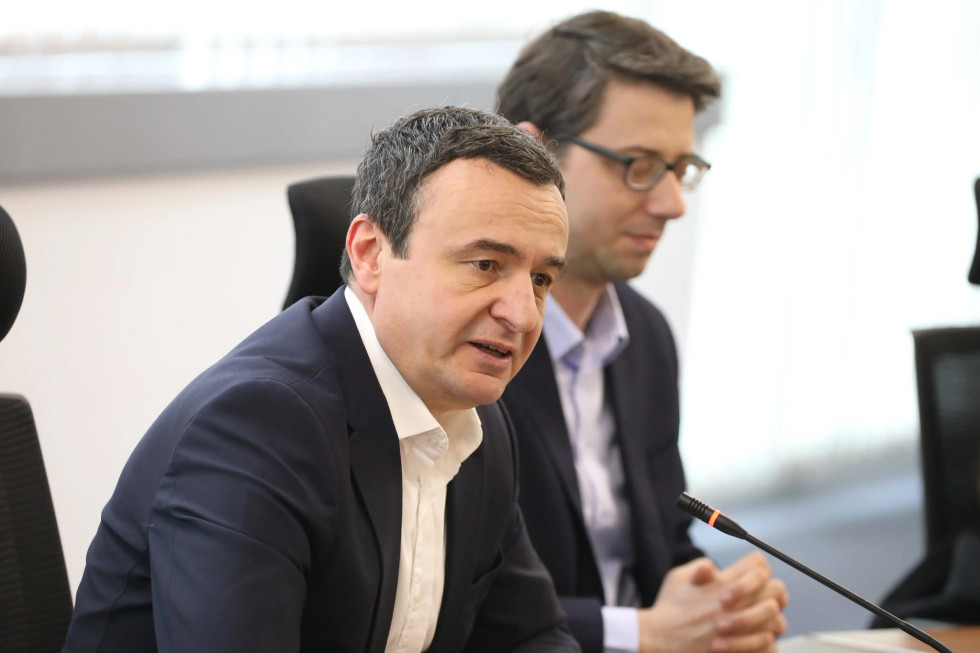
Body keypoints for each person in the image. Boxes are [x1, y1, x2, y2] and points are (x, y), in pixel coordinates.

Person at [61, 106, 579, 653]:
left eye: (541, 278)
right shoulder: (256, 425)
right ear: (370, 255)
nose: (523, 314)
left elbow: (534, 636)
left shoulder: (479, 426)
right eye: (486, 265)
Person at [496, 11, 789, 653]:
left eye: (680, 168)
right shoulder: (473, 343)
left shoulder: (646, 336)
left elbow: (663, 541)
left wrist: (721, 604)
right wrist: (643, 633)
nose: (672, 203)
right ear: (532, 153)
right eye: (638, 165)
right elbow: (453, 599)